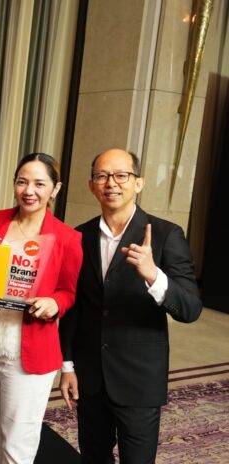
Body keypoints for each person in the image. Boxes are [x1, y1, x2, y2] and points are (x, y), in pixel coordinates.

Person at [59, 148, 203, 463]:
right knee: (93, 456)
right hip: (90, 376)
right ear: (91, 185)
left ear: (138, 183)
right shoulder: (79, 236)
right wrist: (67, 365)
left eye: (121, 175)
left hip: (138, 379)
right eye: (102, 176)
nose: (111, 183)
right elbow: (74, 307)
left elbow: (191, 308)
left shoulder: (166, 234)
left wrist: (154, 275)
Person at [0, 153, 83, 464]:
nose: (29, 191)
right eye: (22, 182)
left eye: (39, 184)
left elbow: (68, 292)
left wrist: (54, 303)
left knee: (18, 439)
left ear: (55, 189)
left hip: (31, 347)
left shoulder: (67, 238)